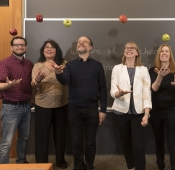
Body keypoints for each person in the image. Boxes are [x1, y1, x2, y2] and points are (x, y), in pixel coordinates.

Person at [51, 36, 107, 170]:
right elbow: (64, 81)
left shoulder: (97, 66)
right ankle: (78, 166)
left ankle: (89, 166)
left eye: (84, 41)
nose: (80, 43)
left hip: (92, 109)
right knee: (76, 142)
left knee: (90, 142)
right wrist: (58, 72)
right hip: (74, 109)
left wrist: (103, 109)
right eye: (79, 42)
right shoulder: (70, 65)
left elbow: (103, 88)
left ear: (90, 47)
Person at [110, 41, 152, 170]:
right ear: (124, 52)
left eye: (132, 48)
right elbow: (112, 91)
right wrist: (119, 93)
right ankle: (131, 167)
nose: (129, 49)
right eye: (127, 48)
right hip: (120, 112)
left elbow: (146, 92)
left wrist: (146, 114)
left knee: (139, 145)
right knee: (126, 143)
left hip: (138, 113)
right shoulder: (117, 68)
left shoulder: (143, 70)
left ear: (137, 52)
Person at [31, 39, 68, 169]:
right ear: (43, 51)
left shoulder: (64, 64)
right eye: (46, 47)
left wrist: (60, 72)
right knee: (42, 136)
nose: (49, 49)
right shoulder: (38, 66)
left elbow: (68, 80)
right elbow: (33, 85)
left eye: (52, 47)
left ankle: (60, 160)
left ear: (56, 50)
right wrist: (37, 80)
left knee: (60, 135)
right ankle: (41, 162)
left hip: (62, 104)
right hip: (42, 105)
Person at [148, 44, 175, 170]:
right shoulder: (152, 71)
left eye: (166, 51)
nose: (164, 53)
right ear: (159, 54)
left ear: (170, 54)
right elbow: (153, 89)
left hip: (172, 111)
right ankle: (161, 166)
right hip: (156, 111)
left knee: (172, 142)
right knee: (159, 141)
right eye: (161, 51)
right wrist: (160, 77)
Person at [0, 36, 33, 164]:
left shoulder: (29, 63)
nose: (20, 47)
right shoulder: (5, 63)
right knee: (6, 142)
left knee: (24, 138)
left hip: (26, 106)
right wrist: (9, 85)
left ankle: (21, 162)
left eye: (22, 45)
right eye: (16, 45)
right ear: (11, 47)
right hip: (11, 107)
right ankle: (3, 166)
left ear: (26, 47)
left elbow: (32, 83)